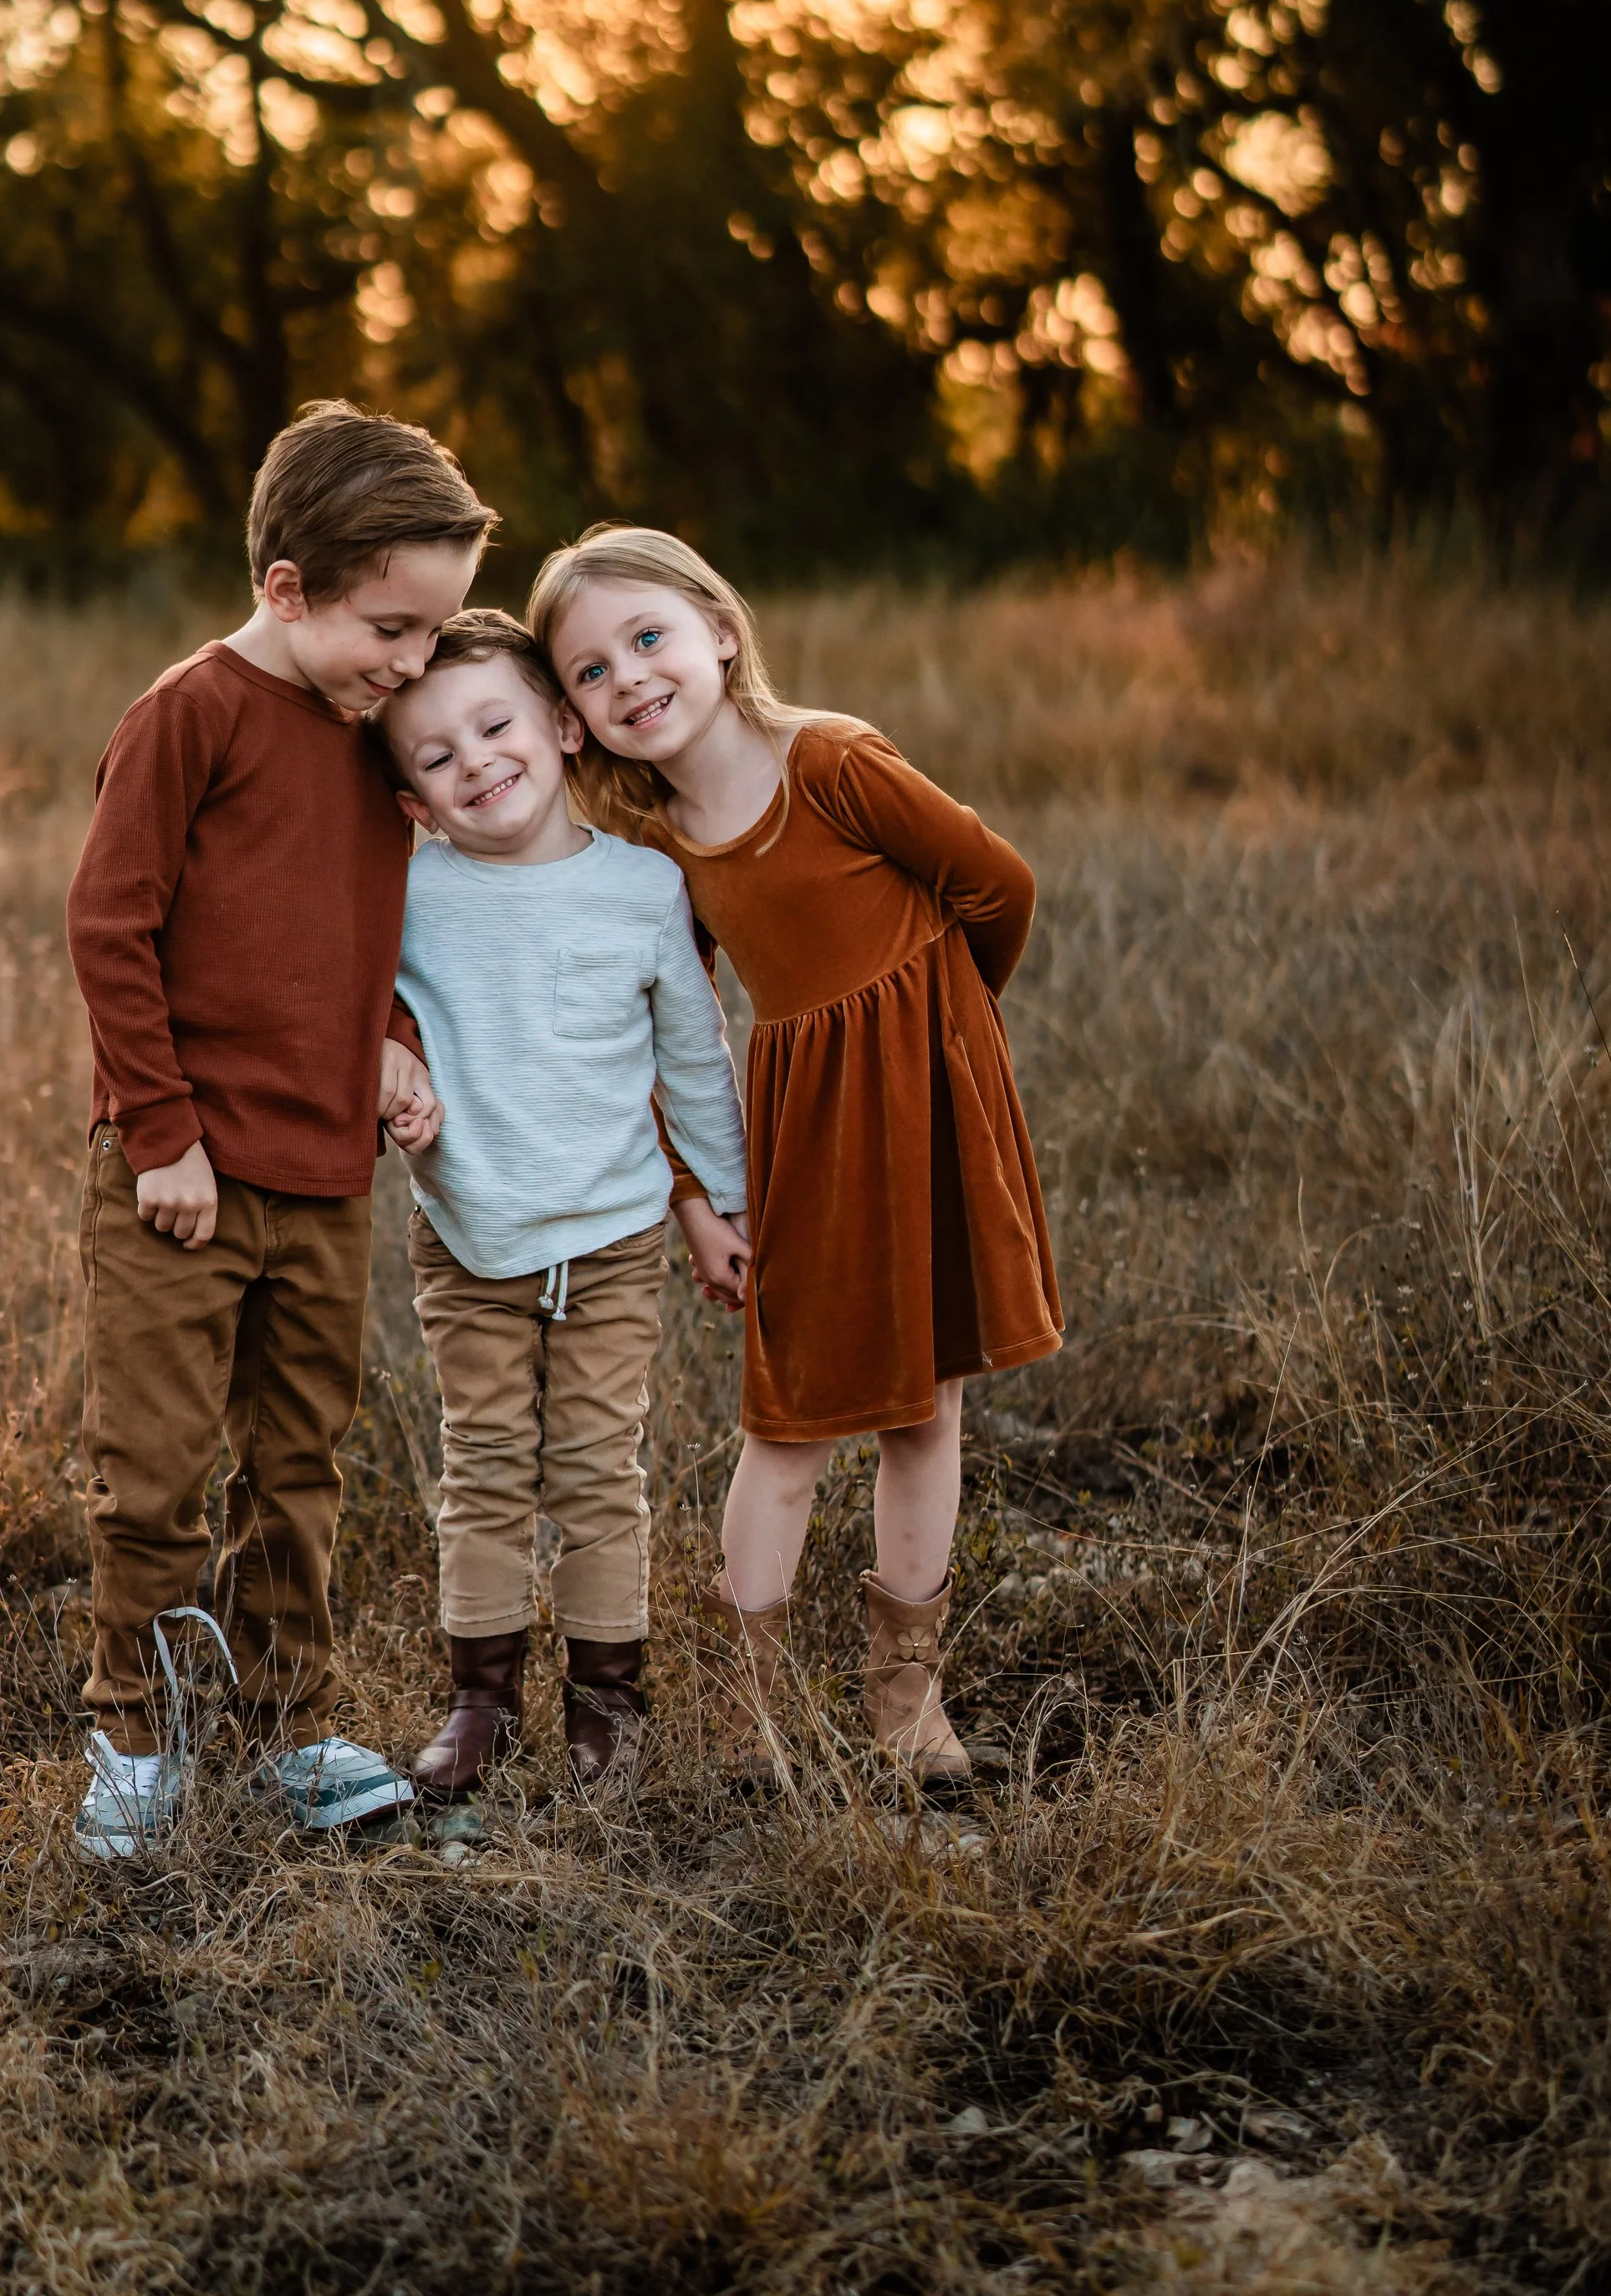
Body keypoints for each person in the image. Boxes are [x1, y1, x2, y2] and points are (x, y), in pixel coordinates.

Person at [529, 527, 1062, 1788]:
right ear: (577, 716)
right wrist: (700, 1196)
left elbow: (998, 885)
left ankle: (906, 1701)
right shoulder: (657, 846)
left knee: (929, 1405)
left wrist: (942, 1036)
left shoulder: (830, 760)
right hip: (806, 1139)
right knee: (791, 1420)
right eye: (593, 672)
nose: (631, 679)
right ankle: (750, 1715)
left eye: (647, 637)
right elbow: (662, 1029)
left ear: (720, 628)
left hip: (927, 1107)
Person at [64, 401, 496, 1860]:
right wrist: (160, 1133)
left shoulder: (372, 735)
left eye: (434, 633)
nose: (415, 664)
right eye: (393, 625)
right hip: (179, 1180)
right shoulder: (192, 713)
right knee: (160, 1471)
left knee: (300, 1458)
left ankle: (285, 1718)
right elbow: (110, 924)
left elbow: (362, 933)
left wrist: (394, 1040)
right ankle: (135, 1735)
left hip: (325, 1178)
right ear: (286, 586)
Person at [374, 610, 750, 1802]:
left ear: (561, 723)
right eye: (435, 756)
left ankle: (608, 1701)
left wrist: (728, 1201)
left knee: (597, 1467)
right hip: (470, 1234)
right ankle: (479, 1698)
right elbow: (351, 1007)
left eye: (495, 725)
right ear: (411, 796)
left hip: (615, 1237)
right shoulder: (410, 895)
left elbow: (694, 1059)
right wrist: (390, 1054)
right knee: (482, 1466)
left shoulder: (643, 888)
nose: (476, 761)